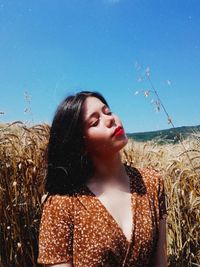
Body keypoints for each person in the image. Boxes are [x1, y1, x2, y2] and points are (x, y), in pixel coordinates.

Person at [37, 90, 168, 267]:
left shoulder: (151, 182)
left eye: (108, 112)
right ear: (81, 145)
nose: (110, 119)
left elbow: (160, 262)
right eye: (95, 121)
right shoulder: (62, 204)